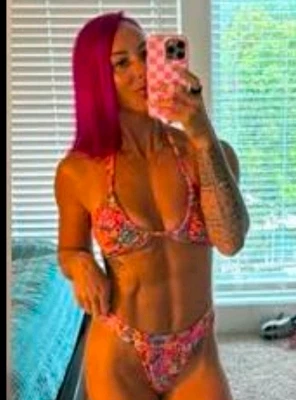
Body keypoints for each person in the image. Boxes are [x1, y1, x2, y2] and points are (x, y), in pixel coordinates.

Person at [54, 11, 249, 400]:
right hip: (121, 347)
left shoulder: (208, 152)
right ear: (97, 79)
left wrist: (203, 136)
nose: (141, 70)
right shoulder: (78, 171)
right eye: (121, 63)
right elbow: (69, 249)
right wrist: (81, 265)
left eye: (146, 54)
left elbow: (230, 241)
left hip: (196, 349)